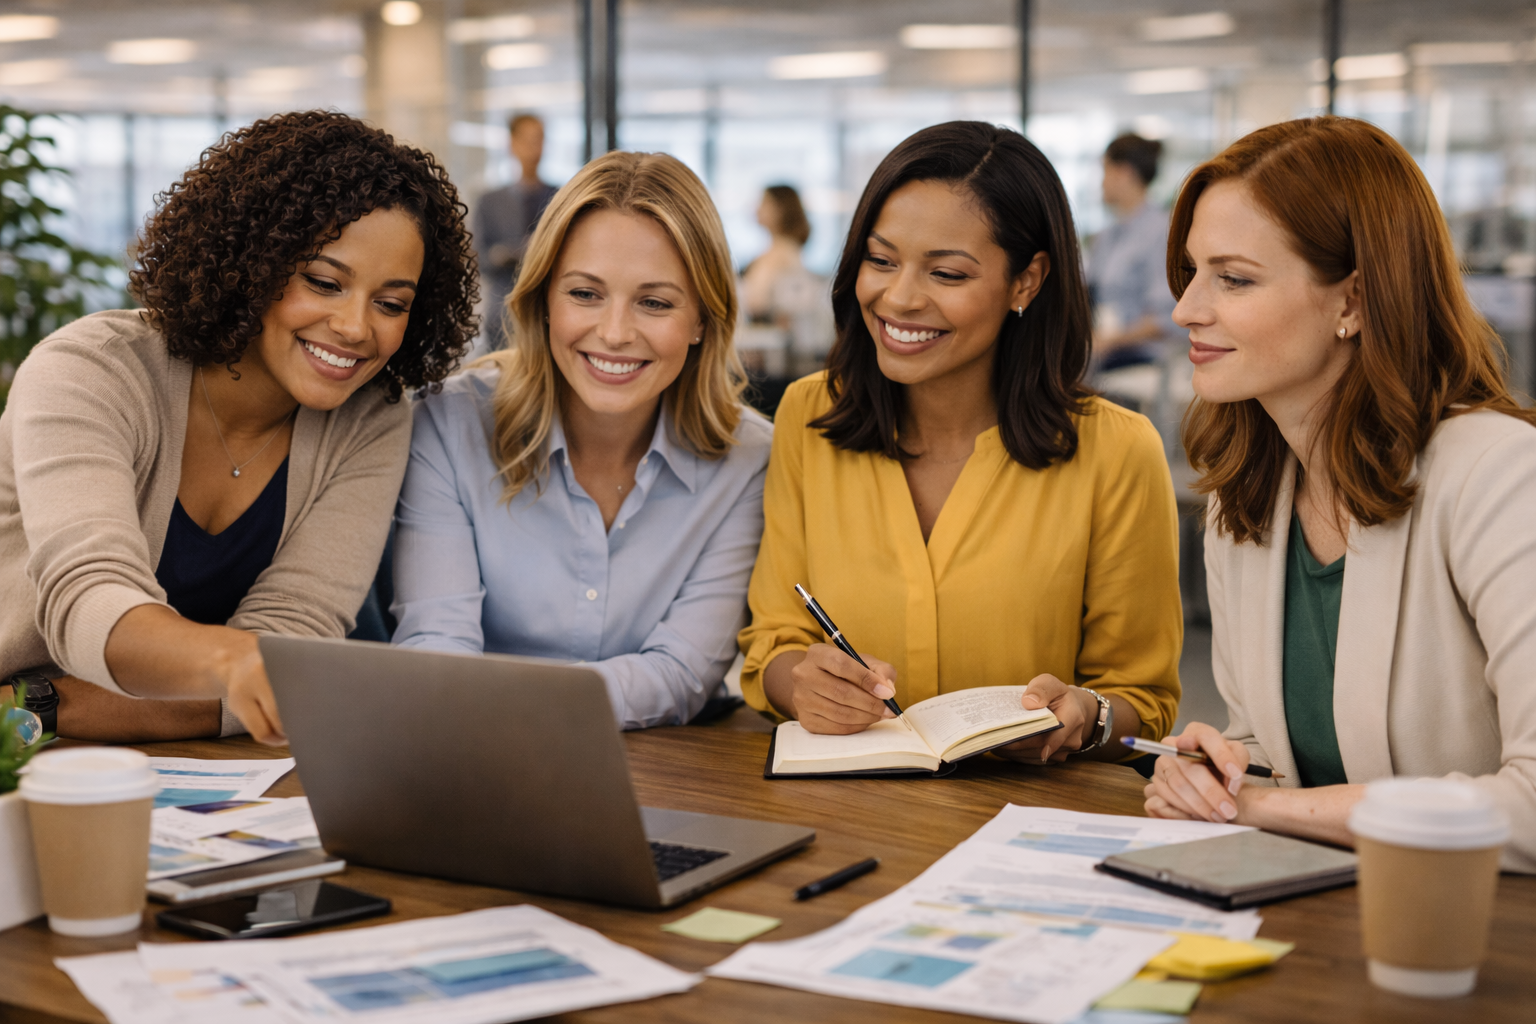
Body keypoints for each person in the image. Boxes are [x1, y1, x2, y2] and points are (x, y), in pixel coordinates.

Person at [0, 111, 478, 744]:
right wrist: (231, 667)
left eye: (391, 303)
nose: (357, 327)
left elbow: (287, 660)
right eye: (324, 282)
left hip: (85, 740)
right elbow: (89, 601)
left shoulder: (371, 418)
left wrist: (41, 707)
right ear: (250, 261)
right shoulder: (93, 370)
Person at [1143, 117, 1536, 872]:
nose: (1186, 309)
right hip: (1323, 925)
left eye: (1234, 278)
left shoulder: (1498, 477)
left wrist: (1259, 807)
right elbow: (1273, 746)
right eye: (1191, 272)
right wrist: (1214, 775)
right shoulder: (1245, 502)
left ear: (1353, 300)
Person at [738, 121, 1182, 762]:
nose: (898, 298)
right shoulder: (811, 415)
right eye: (880, 260)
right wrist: (800, 685)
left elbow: (1143, 699)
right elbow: (774, 639)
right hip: (845, 815)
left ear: (1026, 282)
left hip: (1025, 831)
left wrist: (1088, 713)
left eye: (946, 274)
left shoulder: (1117, 452)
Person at [391, 150, 770, 729]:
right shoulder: (449, 425)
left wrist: (509, 700)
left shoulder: (747, 461)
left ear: (701, 319)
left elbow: (683, 671)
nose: (614, 333)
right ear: (543, 300)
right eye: (585, 294)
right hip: (470, 757)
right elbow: (435, 648)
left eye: (654, 303)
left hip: (666, 774)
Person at [1087, 133, 1174, 373]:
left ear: (1124, 173)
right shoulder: (1107, 236)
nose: (1101, 182)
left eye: (1105, 171)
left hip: (1141, 356)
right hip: (1107, 349)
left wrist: (1107, 342)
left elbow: (1165, 319)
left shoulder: (1162, 233)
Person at [477, 113, 559, 350]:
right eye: (527, 139)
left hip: (546, 306)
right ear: (512, 144)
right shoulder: (490, 201)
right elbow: (480, 258)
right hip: (501, 311)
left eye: (540, 139)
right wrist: (512, 252)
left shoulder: (558, 198)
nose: (534, 148)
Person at [740, 184, 812, 323]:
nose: (757, 209)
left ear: (780, 209)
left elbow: (756, 301)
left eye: (764, 202)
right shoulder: (778, 250)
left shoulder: (783, 252)